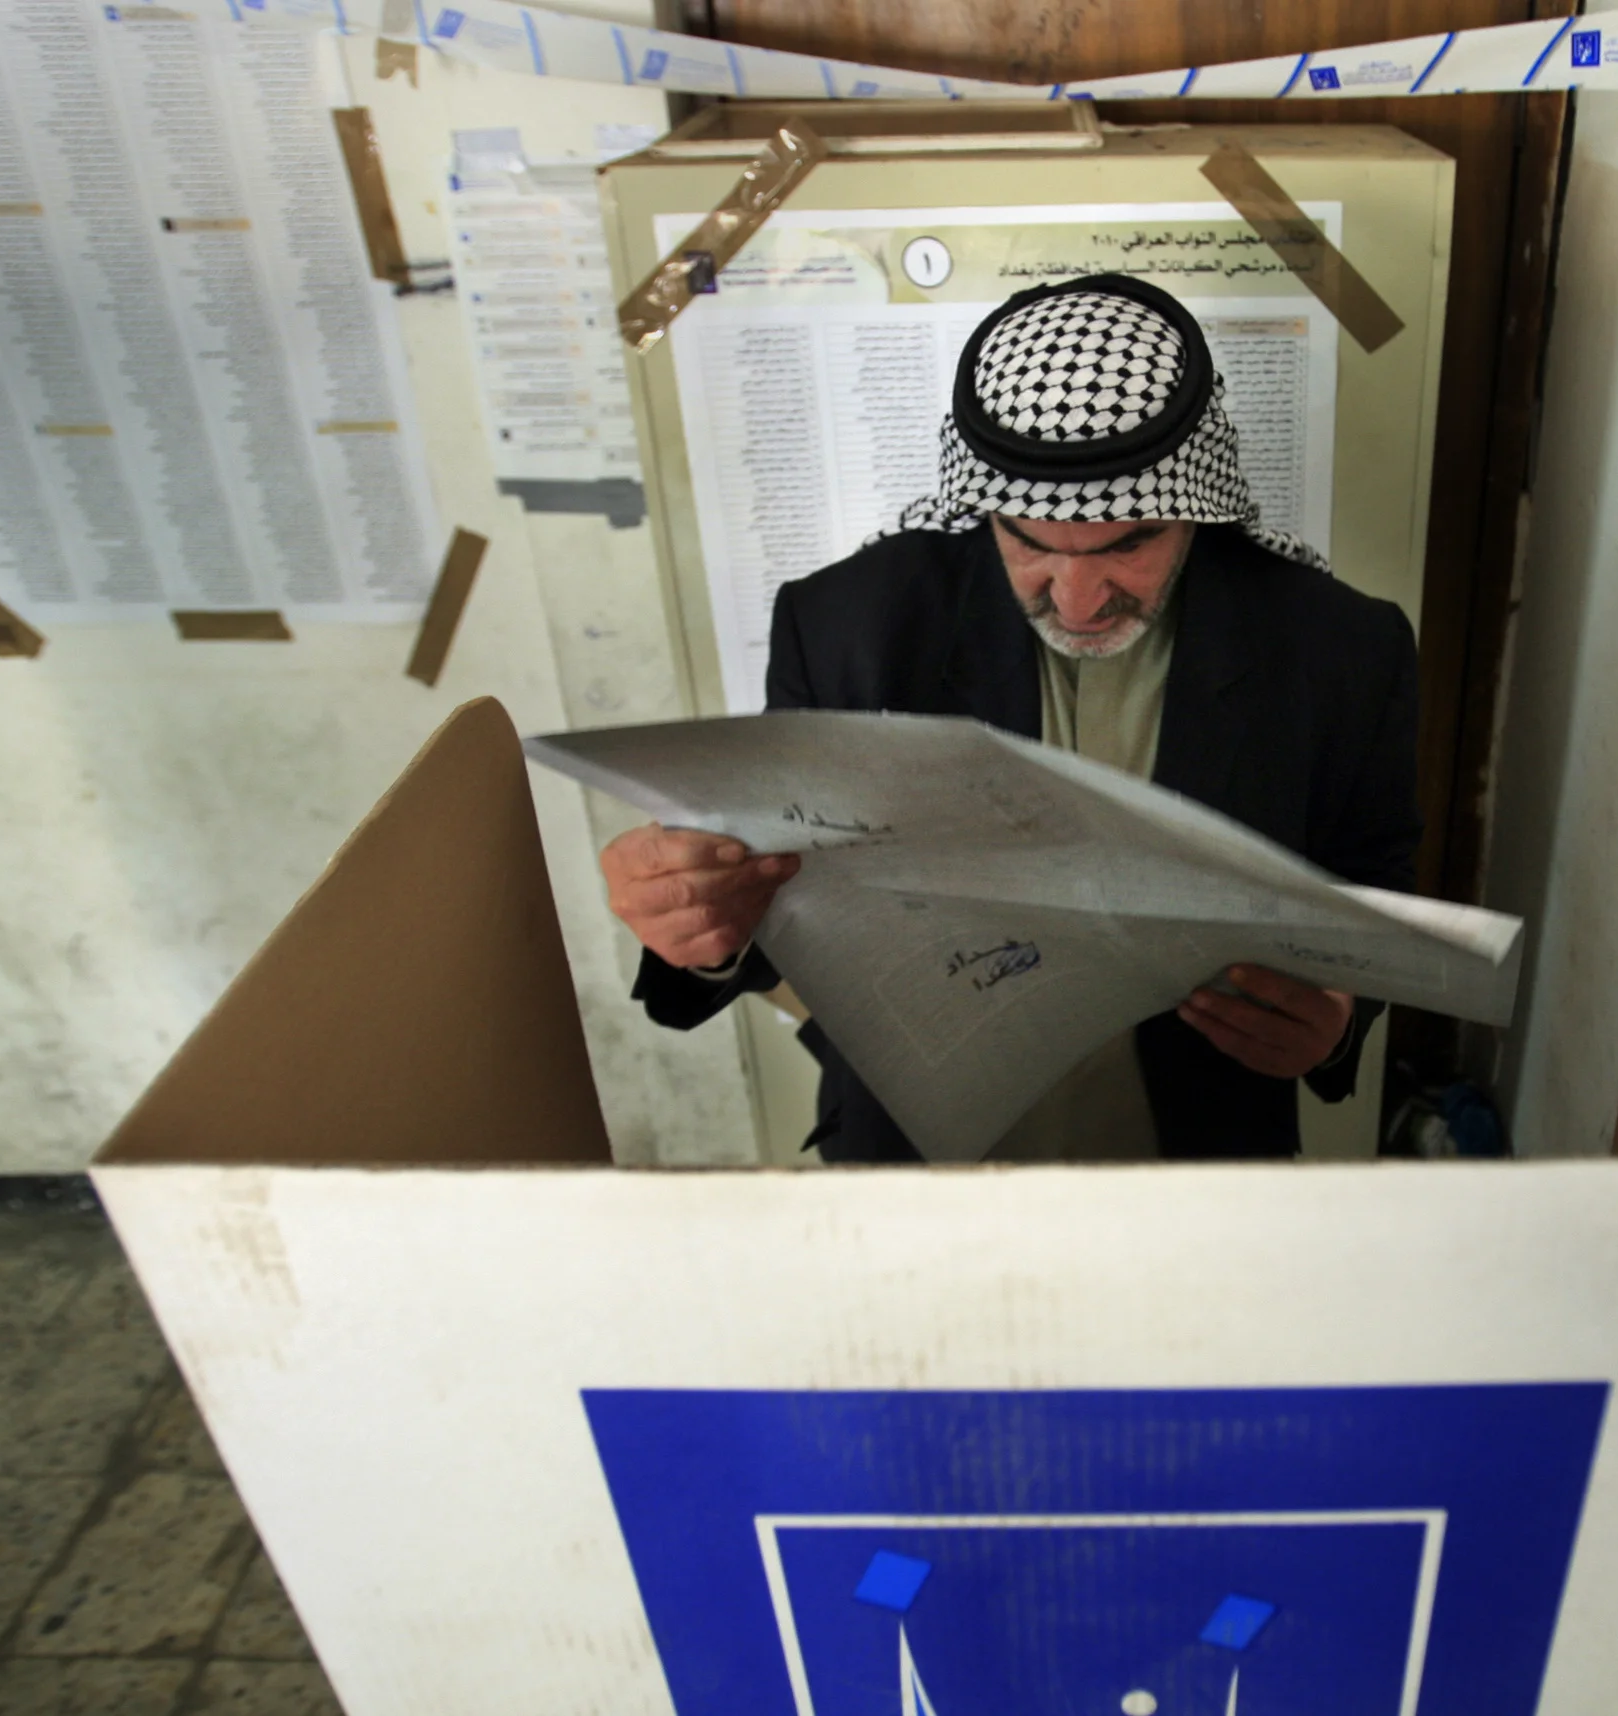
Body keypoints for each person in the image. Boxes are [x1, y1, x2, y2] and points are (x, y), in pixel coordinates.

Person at [601, 273, 1421, 1163]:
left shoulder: (1343, 650)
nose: (1077, 599)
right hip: (918, 1159)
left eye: (1131, 542)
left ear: (1197, 503)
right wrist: (703, 927)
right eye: (1028, 541)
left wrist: (1336, 1026)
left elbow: (1369, 885)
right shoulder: (848, 626)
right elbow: (790, 904)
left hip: (1196, 1154)